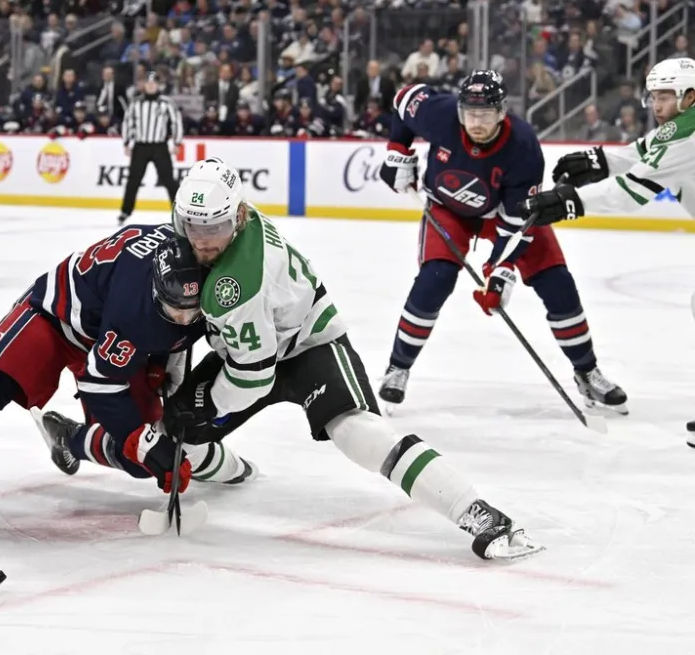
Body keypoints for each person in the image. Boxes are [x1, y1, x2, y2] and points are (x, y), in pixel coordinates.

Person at [156, 158, 543, 560]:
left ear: (238, 215)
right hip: (249, 347)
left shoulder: (235, 283)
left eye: (214, 228)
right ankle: (236, 470)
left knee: (357, 433)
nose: (201, 240)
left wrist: (209, 405)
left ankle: (475, 511)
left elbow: (252, 378)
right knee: (174, 436)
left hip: (311, 346)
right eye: (192, 226)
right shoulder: (223, 224)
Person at [0, 227, 255, 528]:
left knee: (140, 462)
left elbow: (180, 336)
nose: (184, 318)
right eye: (173, 308)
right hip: (55, 317)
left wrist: (162, 396)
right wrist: (146, 439)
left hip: (118, 333)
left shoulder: (198, 285)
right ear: (155, 290)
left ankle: (70, 438)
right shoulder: (137, 308)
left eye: (191, 309)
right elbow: (100, 383)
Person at [376, 70, 627, 414]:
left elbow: (516, 223)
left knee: (557, 283)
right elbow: (403, 100)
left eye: (486, 114)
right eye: (470, 114)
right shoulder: (439, 113)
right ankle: (397, 368)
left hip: (505, 216)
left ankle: (587, 371)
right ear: (460, 110)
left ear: (502, 111)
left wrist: (500, 271)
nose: (476, 123)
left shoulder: (523, 147)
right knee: (435, 280)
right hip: (448, 209)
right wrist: (396, 150)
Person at [517, 56, 695, 440]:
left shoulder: (688, 135)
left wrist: (569, 202)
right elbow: (642, 153)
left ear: (690, 96)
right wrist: (596, 160)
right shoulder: (681, 127)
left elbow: (632, 190)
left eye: (666, 95)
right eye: (654, 96)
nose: (657, 105)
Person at [118, 71, 184, 225]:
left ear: (158, 85)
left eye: (153, 83)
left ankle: (180, 211)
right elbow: (127, 122)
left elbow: (176, 121)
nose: (150, 86)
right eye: (148, 83)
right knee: (133, 179)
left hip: (159, 146)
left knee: (169, 180)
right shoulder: (136, 103)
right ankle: (125, 211)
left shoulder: (166, 103)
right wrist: (127, 142)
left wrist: (177, 142)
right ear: (144, 86)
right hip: (140, 146)